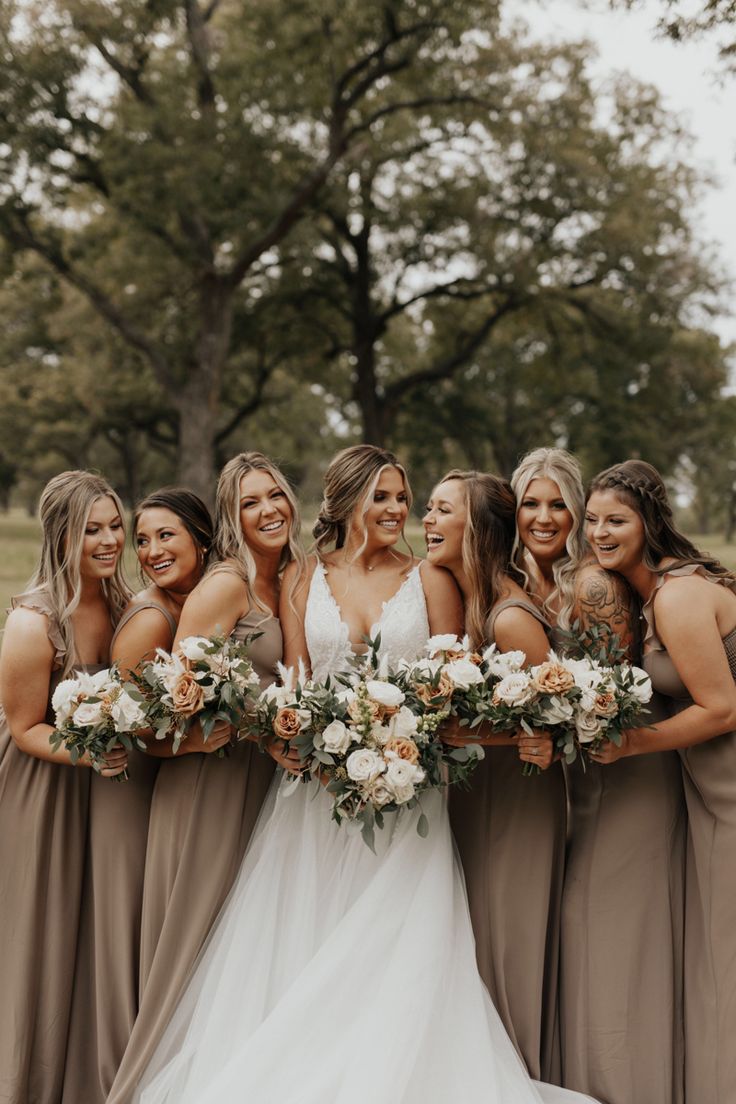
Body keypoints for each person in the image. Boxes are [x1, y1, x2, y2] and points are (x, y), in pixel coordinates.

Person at [132, 444, 598, 1104]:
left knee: (398, 943)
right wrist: (291, 734)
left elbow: (447, 684)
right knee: (305, 935)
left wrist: (403, 741)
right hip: (312, 794)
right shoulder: (301, 578)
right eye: (383, 496)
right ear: (346, 500)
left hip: (410, 793)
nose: (398, 509)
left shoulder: (430, 578)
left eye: (403, 497)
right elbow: (295, 683)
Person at [107, 455, 300, 1104]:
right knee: (184, 954)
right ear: (229, 516)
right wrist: (250, 726)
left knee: (231, 958)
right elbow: (179, 688)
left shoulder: (293, 577)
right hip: (205, 783)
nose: (268, 510)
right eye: (250, 503)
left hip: (263, 791)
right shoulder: (226, 585)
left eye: (275, 495)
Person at [512, 448, 686, 1104]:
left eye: (559, 504)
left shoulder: (593, 587)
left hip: (620, 784)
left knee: (608, 943)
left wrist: (544, 730)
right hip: (568, 789)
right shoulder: (516, 584)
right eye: (532, 502)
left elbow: (618, 702)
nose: (545, 516)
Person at [585, 458, 736, 1104]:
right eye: (591, 520)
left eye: (615, 520)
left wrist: (632, 746)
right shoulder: (656, 591)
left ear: (648, 523)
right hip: (707, 793)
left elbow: (722, 707)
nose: (599, 532)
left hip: (730, 792)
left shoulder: (676, 597)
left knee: (724, 964)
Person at [62, 488, 215, 1103]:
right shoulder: (151, 618)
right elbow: (128, 727)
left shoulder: (195, 604)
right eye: (143, 538)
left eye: (163, 536)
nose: (148, 550)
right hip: (129, 787)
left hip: (171, 790)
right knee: (129, 936)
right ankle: (123, 1080)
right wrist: (193, 745)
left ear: (201, 540)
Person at [424, 468, 564, 1081]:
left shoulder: (509, 616)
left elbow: (556, 724)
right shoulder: (469, 602)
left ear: (476, 528)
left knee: (508, 947)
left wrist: (477, 733)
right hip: (477, 800)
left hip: (520, 803)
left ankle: (521, 1080)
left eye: (441, 510)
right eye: (426, 509)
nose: (426, 520)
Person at [0, 471, 129, 1104]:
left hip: (104, 790)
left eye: (114, 526)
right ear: (61, 535)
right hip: (44, 786)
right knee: (41, 931)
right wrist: (91, 755)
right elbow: (24, 728)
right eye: (92, 531)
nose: (109, 541)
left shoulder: (126, 599)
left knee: (94, 930)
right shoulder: (34, 620)